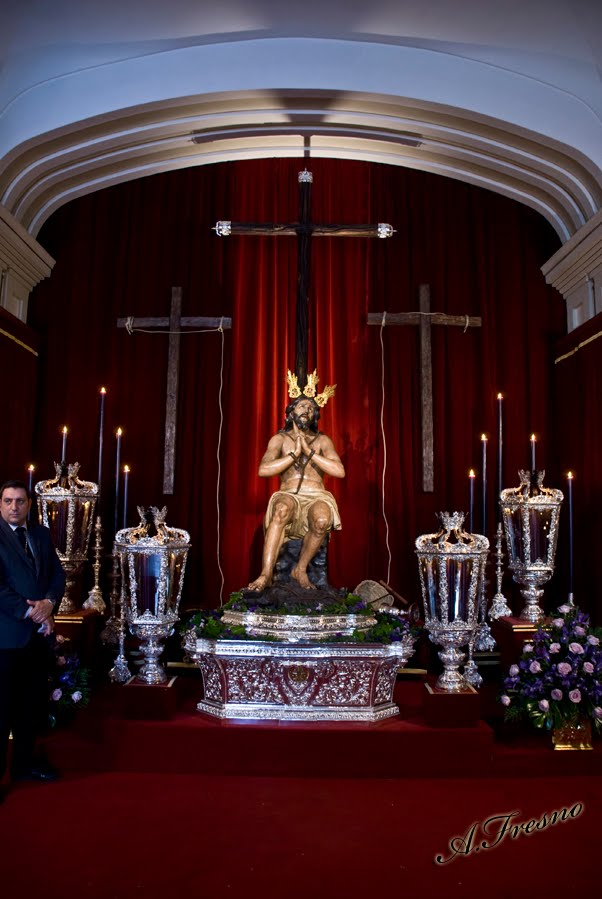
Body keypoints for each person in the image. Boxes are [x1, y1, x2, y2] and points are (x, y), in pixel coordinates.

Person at [248, 371, 345, 591]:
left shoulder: (322, 441)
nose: (307, 410)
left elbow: (339, 471)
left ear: (315, 415)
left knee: (322, 519)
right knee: (281, 508)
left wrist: (310, 453)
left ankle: (300, 569)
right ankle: (265, 574)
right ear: (291, 412)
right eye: (302, 406)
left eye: (311, 408)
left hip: (316, 495)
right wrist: (293, 455)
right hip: (289, 494)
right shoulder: (280, 439)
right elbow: (264, 470)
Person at [0, 479, 65, 791]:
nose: (14, 507)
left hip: (37, 639)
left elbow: (56, 573)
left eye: (20, 501)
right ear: (0, 504)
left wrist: (50, 603)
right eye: (8, 501)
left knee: (29, 706)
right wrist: (32, 612)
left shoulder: (39, 534)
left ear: (29, 504)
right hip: (6, 638)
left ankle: (23, 766)